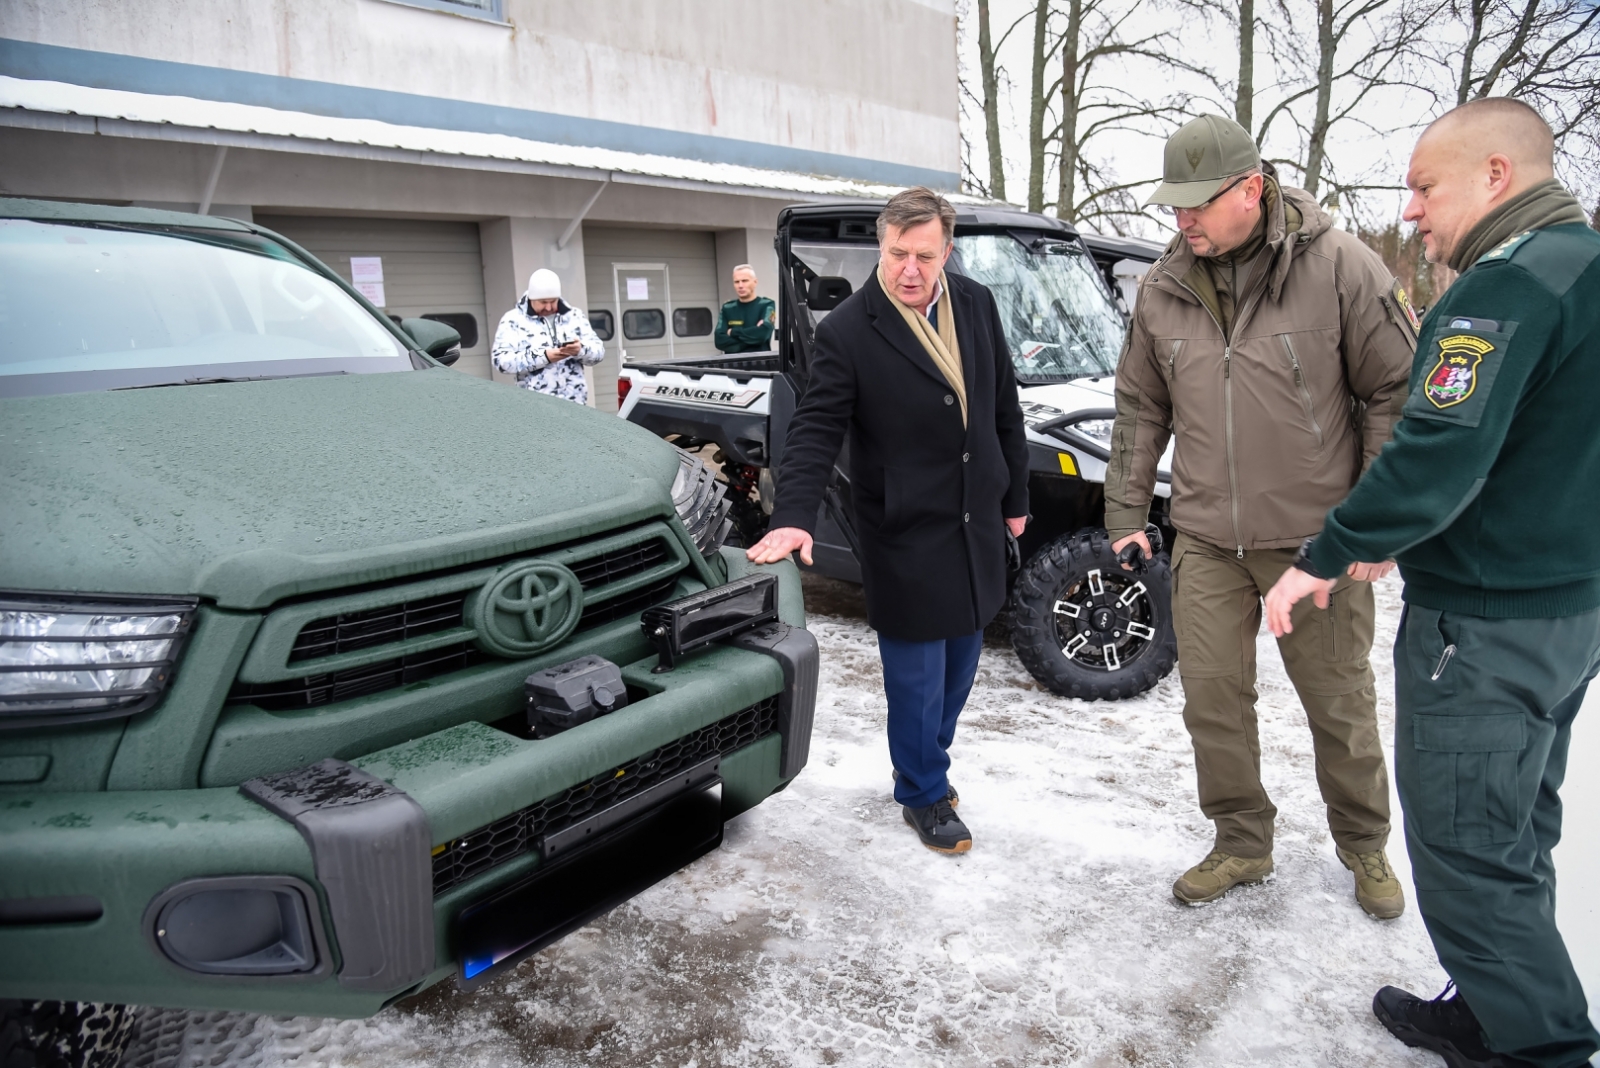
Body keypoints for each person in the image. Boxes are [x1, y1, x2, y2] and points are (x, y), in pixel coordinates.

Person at [1266, 98, 1600, 1068]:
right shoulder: (1586, 267)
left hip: (1485, 631)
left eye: (1424, 187)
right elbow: (1532, 449)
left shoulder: (1510, 287)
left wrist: (1331, 550)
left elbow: (1436, 452)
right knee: (1516, 827)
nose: (1410, 211)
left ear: (1496, 175)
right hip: (1562, 612)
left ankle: (1540, 1049)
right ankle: (1485, 1007)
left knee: (1467, 856)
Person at [1104, 114, 1417, 916]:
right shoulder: (1162, 285)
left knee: (1338, 704)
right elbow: (1141, 408)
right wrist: (1126, 514)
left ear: (1252, 188)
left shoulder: (1342, 266)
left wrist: (1374, 521)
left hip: (1318, 544)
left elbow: (1396, 393)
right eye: (1173, 206)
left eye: (1198, 204)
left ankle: (1365, 845)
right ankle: (1241, 841)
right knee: (1211, 700)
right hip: (1207, 538)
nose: (1183, 221)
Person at [745, 187, 1029, 854]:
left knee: (962, 662)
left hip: (974, 520)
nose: (909, 270)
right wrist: (793, 514)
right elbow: (815, 429)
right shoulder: (848, 330)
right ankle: (924, 791)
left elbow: (1003, 410)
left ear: (946, 252)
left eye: (924, 256)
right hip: (904, 527)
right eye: (898, 253)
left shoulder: (978, 306)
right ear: (882, 247)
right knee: (916, 677)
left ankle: (925, 761)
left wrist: (1014, 499)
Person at [490, 268, 605, 404]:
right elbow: (500, 362)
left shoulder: (574, 316)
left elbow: (599, 352)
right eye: (543, 302)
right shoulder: (513, 320)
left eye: (553, 301)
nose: (549, 307)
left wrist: (580, 350)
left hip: (575, 406)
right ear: (531, 298)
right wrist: (544, 357)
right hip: (535, 409)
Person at [714, 264, 776, 353]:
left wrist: (732, 332)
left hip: (760, 363)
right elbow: (719, 341)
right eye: (736, 282)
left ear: (755, 282)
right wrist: (754, 339)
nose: (740, 285)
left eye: (745, 281)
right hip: (732, 365)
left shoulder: (767, 305)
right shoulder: (728, 308)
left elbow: (763, 334)